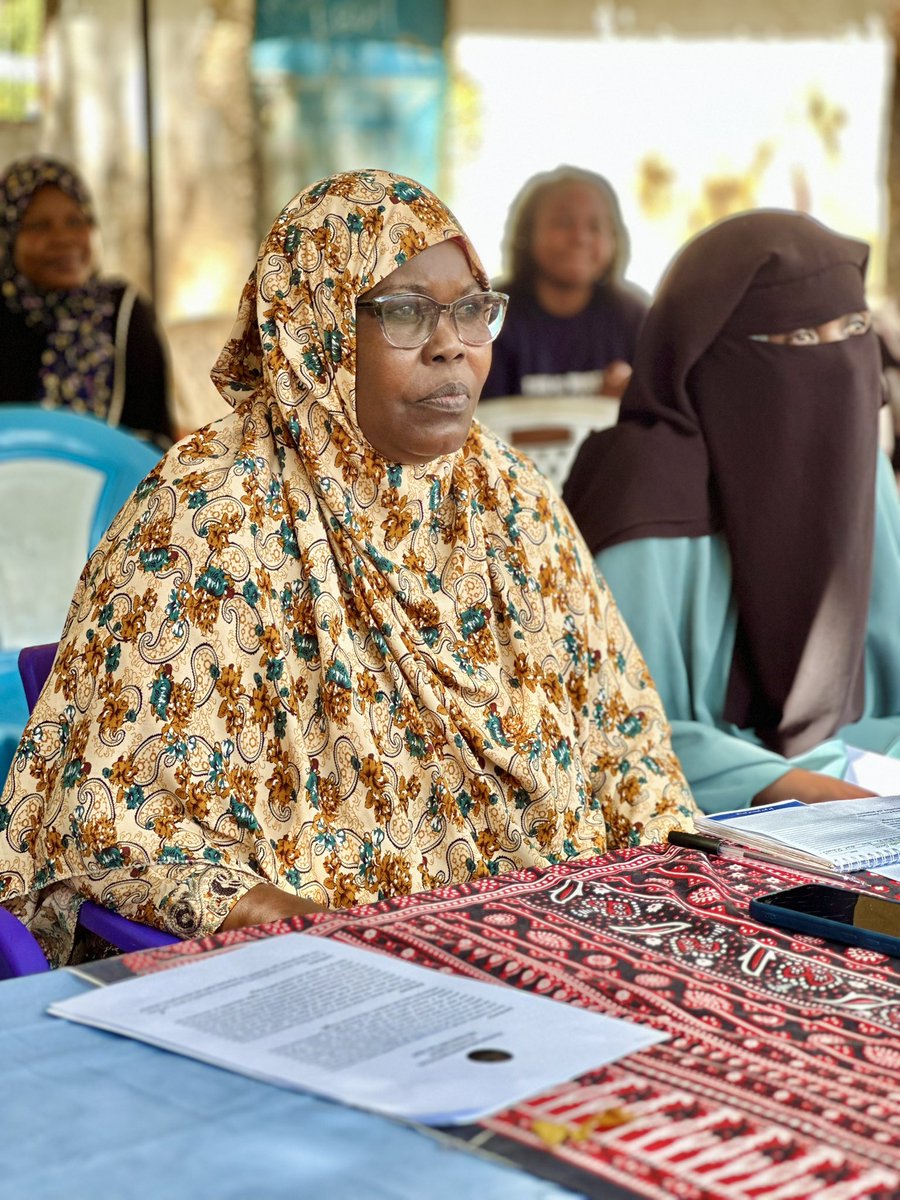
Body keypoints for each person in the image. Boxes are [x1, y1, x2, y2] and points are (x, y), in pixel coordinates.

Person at [0, 168, 695, 967]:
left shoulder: (507, 495)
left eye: (473, 307)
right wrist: (359, 948)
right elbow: (126, 832)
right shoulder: (207, 513)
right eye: (402, 311)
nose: (452, 342)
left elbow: (628, 752)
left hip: (551, 934)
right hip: (317, 968)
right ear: (313, 325)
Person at [562, 209, 900, 815]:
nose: (834, 362)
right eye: (797, 339)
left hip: (862, 775)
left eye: (852, 327)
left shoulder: (859, 466)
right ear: (706, 354)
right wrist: (785, 786)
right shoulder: (644, 487)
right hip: (704, 799)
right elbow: (612, 728)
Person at [0, 155, 173, 445]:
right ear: (8, 236)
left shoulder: (122, 311)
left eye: (75, 221)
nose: (64, 238)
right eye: (40, 226)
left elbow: (156, 440)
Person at [481, 165, 648, 402]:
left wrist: (629, 398)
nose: (580, 237)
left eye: (595, 226)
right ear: (527, 233)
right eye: (563, 223)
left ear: (614, 238)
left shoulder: (632, 317)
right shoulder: (491, 315)